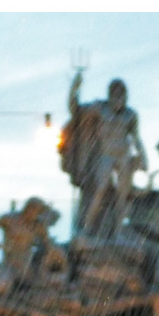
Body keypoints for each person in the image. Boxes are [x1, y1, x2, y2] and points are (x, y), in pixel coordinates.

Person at [60, 73, 148, 239]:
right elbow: (75, 109)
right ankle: (86, 228)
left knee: (123, 195)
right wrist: (75, 87)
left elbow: (136, 138)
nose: (120, 101)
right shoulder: (99, 109)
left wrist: (143, 157)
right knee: (99, 190)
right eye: (116, 97)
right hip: (105, 156)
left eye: (123, 97)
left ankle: (118, 232)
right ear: (110, 96)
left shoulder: (130, 115)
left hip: (123, 156)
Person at [0, 197, 58, 297]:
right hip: (9, 264)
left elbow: (48, 245)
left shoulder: (38, 226)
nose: (36, 214)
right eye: (36, 211)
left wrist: (49, 256)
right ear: (28, 208)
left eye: (39, 212)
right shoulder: (9, 219)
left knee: (40, 294)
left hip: (27, 266)